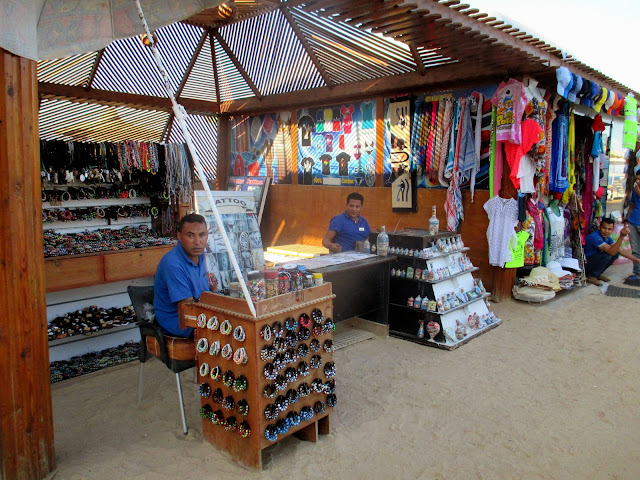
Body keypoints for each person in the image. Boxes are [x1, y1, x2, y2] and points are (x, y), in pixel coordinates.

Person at [153, 213, 210, 337]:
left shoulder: (200, 255)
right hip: (179, 322)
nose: (197, 242)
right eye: (190, 235)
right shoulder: (172, 263)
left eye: (202, 235)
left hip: (200, 313)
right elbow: (187, 308)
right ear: (179, 236)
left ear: (207, 235)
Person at [583, 217, 640, 286]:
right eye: (604, 228)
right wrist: (621, 236)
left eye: (609, 229)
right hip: (585, 264)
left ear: (612, 230)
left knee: (615, 253)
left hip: (592, 261)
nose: (606, 231)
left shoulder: (607, 238)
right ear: (599, 227)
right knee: (607, 255)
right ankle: (591, 276)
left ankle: (597, 274)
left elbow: (621, 250)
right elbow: (611, 252)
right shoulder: (594, 237)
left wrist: (637, 260)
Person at [623, 163, 640, 281]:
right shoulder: (635, 190)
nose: (637, 181)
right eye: (637, 179)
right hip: (633, 222)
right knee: (635, 249)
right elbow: (632, 205)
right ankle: (637, 273)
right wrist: (626, 219)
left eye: (639, 179)